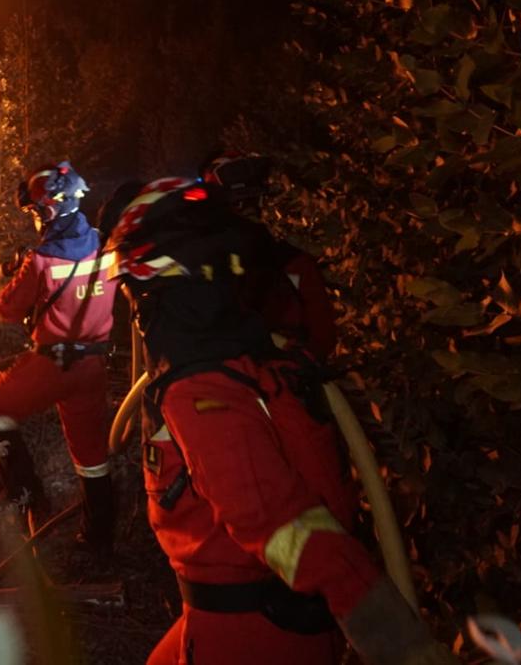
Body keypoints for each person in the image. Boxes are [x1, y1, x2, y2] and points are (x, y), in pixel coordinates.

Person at [104, 177, 456, 665]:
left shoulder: (201, 392)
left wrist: (400, 645)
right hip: (247, 614)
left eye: (132, 292)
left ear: (154, 287)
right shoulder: (261, 359)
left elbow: (279, 523)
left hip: (251, 634)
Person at [0, 161, 117, 561]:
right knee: (92, 459)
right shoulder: (106, 244)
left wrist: (21, 268)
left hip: (53, 365)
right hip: (92, 368)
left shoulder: (40, 259)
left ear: (49, 208)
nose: (37, 217)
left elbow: (7, 309)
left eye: (37, 211)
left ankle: (24, 493)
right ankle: (98, 541)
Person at [203, 152, 338, 360]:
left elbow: (322, 336)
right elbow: (323, 336)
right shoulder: (292, 261)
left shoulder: (292, 264)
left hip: (258, 379)